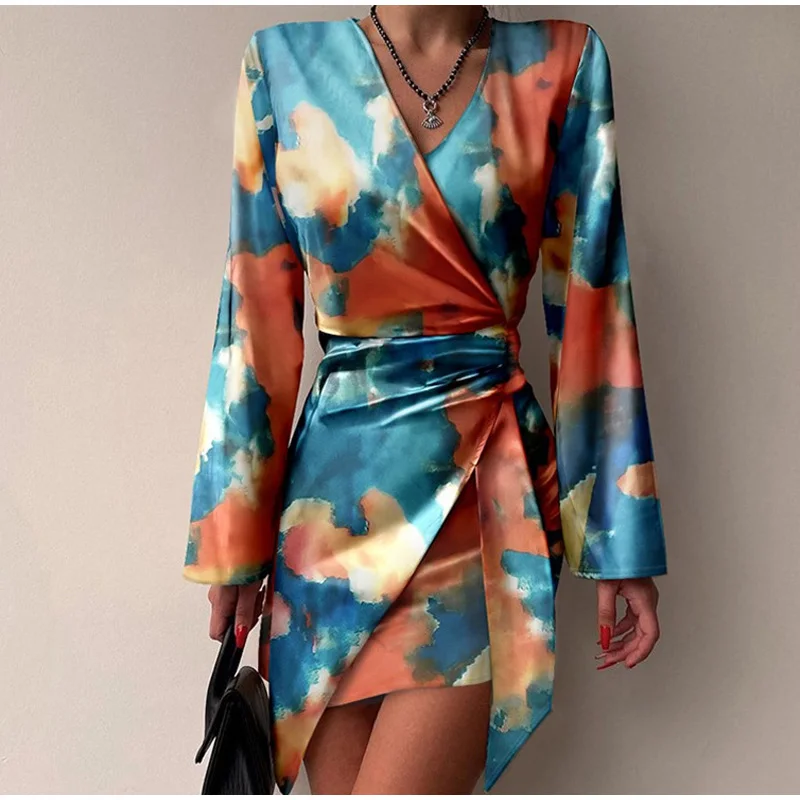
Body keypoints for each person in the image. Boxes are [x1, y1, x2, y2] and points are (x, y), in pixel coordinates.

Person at [183, 5, 668, 794]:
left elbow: (593, 302)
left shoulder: (562, 63)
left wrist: (619, 536)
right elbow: (254, 319)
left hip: (482, 506)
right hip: (327, 526)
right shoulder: (281, 64)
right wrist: (232, 540)